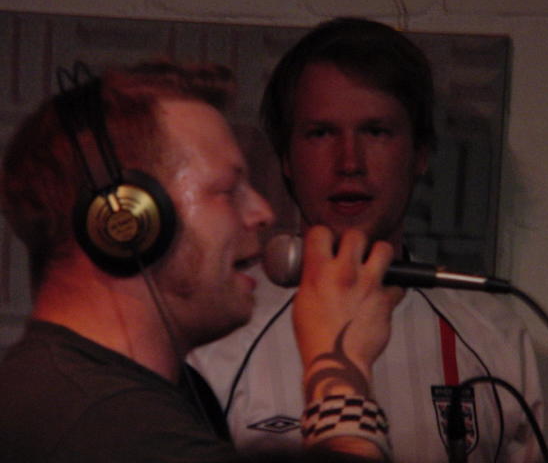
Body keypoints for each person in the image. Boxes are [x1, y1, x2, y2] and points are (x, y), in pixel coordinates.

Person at [0, 60, 403, 462]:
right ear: (129, 221)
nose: (262, 212)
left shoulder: (117, 394)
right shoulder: (102, 423)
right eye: (228, 190)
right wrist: (339, 367)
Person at [190, 17, 544, 462]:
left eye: (376, 131)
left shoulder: (493, 332)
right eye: (321, 133)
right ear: (286, 158)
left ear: (419, 153)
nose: (349, 162)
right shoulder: (218, 333)